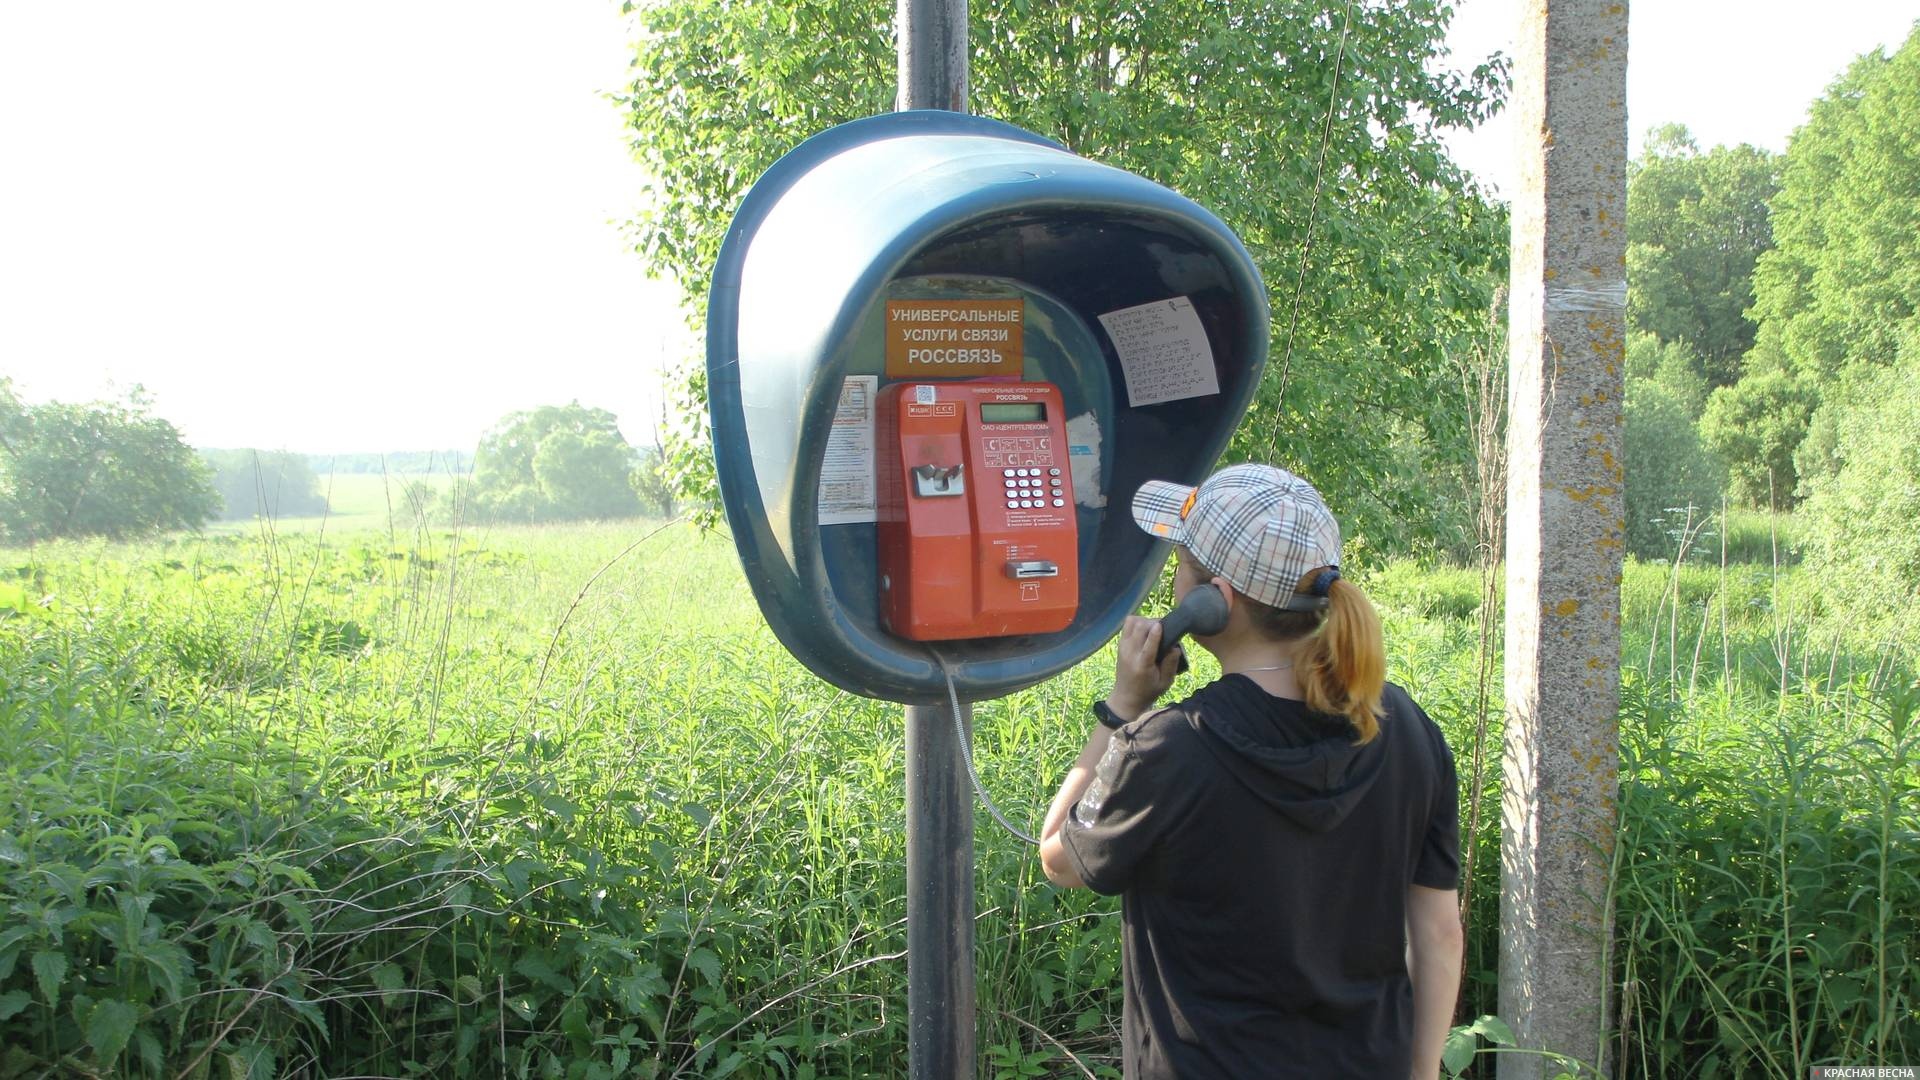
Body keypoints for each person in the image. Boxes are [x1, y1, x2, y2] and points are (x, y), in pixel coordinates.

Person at [1038, 463, 1463, 1079]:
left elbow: (1058, 855)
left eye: (1181, 563)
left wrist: (1122, 708)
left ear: (1216, 600)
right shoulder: (1400, 723)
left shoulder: (1169, 747)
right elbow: (1438, 931)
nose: (1174, 577)